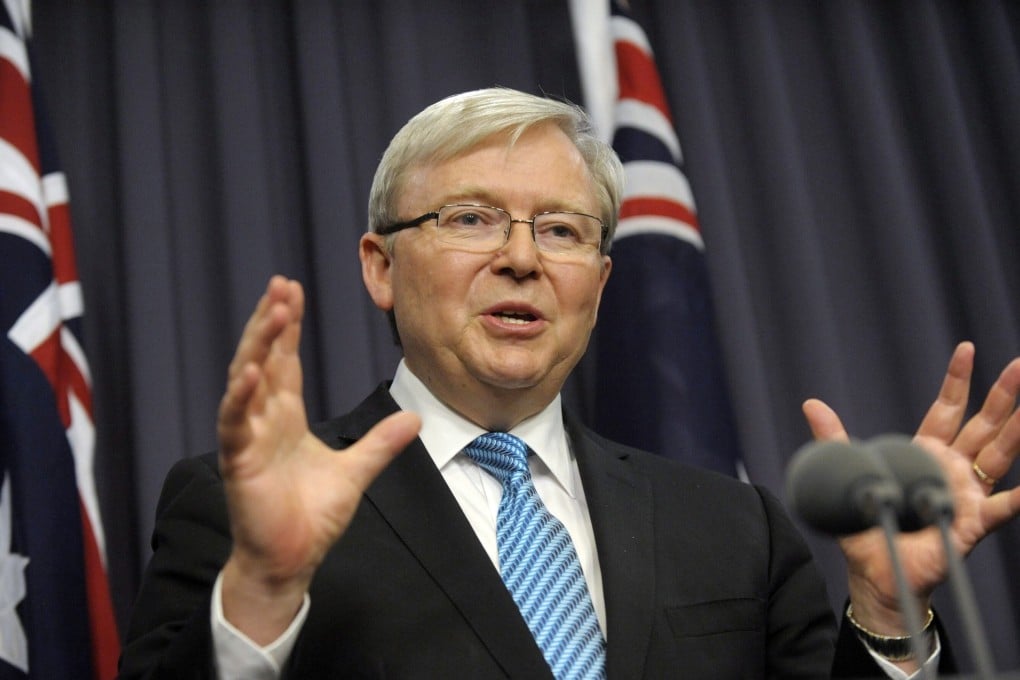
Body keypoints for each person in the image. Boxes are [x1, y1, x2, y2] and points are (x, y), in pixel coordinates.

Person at [118, 88, 1020, 679]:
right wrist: (265, 593)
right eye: (472, 218)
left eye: (560, 231)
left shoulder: (732, 526)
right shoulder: (247, 510)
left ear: (600, 282)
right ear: (380, 266)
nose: (520, 258)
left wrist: (885, 611)